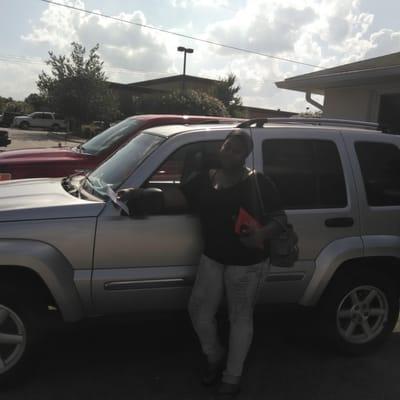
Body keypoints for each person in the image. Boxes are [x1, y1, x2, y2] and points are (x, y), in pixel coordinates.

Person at [180, 129, 284, 397]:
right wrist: (144, 196)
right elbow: (181, 197)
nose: (228, 153)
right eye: (227, 147)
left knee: (240, 317)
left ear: (245, 155)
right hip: (212, 257)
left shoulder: (258, 182)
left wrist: (262, 233)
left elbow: (280, 218)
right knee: (199, 311)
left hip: (247, 263)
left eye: (235, 150)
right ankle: (215, 355)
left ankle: (232, 377)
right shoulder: (207, 178)